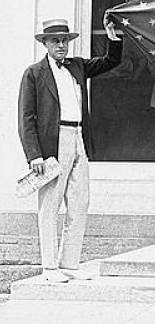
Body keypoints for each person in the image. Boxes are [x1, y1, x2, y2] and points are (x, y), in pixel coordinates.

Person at [18, 16, 122, 283]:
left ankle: (70, 264)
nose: (61, 45)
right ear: (46, 44)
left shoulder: (76, 66)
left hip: (78, 137)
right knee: (50, 205)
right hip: (53, 143)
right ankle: (50, 268)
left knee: (79, 202)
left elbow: (110, 62)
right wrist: (35, 156)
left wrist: (112, 37)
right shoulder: (34, 73)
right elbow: (26, 118)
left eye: (65, 40)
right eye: (56, 41)